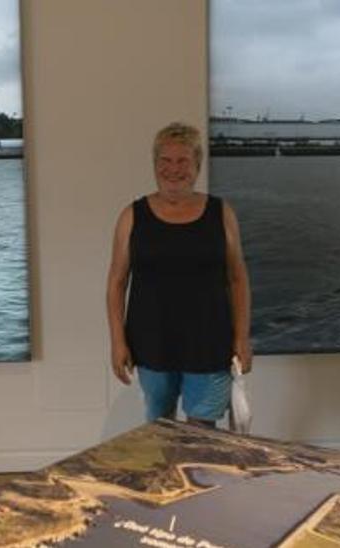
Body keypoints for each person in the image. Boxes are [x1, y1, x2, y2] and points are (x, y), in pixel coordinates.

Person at [106, 122, 252, 427]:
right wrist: (118, 342)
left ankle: (200, 477)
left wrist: (242, 337)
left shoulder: (220, 212)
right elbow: (117, 283)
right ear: (155, 164)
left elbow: (238, 278)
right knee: (161, 431)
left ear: (197, 164)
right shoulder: (132, 215)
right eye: (165, 160)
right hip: (151, 342)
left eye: (183, 160)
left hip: (210, 341)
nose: (174, 169)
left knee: (202, 436)